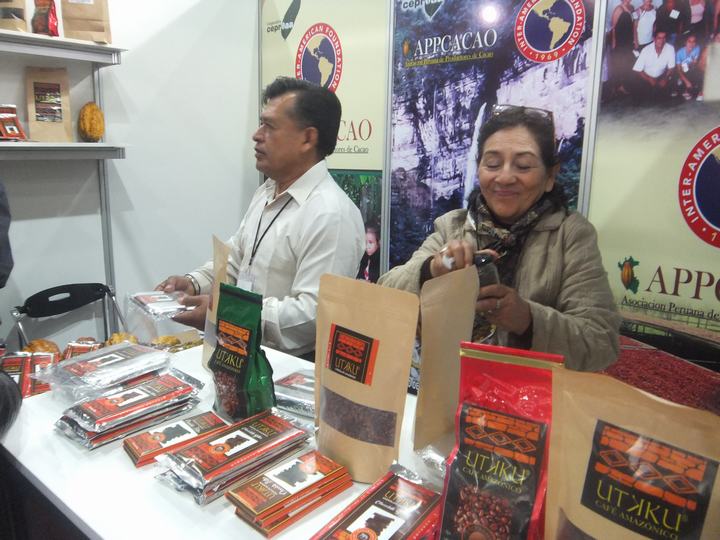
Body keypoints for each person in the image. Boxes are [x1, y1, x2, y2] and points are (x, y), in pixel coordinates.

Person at [378, 105, 620, 372]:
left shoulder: (570, 236)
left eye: (523, 166)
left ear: (550, 176)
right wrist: (432, 269)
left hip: (531, 394)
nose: (504, 177)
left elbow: (601, 342)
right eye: (492, 164)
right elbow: (385, 296)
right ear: (479, 169)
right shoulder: (453, 227)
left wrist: (528, 319)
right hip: (449, 387)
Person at [157, 77, 365, 358]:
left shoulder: (331, 214)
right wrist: (193, 283)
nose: (256, 135)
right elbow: (236, 261)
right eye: (260, 124)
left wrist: (229, 312)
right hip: (241, 353)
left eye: (270, 126)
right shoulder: (266, 192)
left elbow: (313, 316)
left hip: (290, 369)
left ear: (307, 138)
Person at [633, 31, 676, 100]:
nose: (661, 41)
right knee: (642, 96)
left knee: (666, 94)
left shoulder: (670, 48)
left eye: (664, 38)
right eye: (659, 38)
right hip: (646, 77)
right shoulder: (646, 50)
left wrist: (666, 78)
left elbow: (671, 67)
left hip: (661, 77)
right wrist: (649, 79)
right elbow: (637, 69)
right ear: (654, 39)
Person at [674, 33, 704, 99]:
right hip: (681, 72)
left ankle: (699, 92)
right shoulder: (679, 53)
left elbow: (694, 64)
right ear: (685, 42)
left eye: (693, 42)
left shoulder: (697, 48)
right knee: (679, 82)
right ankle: (683, 89)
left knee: (697, 72)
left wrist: (692, 63)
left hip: (690, 70)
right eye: (689, 41)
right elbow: (678, 70)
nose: (691, 44)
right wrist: (686, 82)